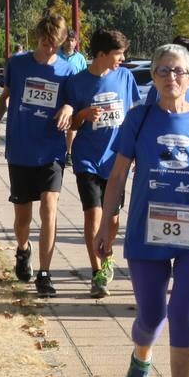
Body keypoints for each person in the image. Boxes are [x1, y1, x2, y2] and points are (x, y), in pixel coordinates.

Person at [96, 43, 189, 377]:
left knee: (183, 311)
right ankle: (142, 354)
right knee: (153, 316)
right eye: (164, 71)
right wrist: (107, 222)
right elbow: (118, 174)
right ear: (152, 78)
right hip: (147, 228)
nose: (172, 78)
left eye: (179, 71)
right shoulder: (139, 118)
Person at [0, 13, 74, 298]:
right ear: (37, 37)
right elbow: (4, 99)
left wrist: (68, 108)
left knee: (49, 208)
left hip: (51, 149)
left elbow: (74, 103)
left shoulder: (67, 71)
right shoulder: (18, 64)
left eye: (55, 44)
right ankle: (22, 248)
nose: (49, 48)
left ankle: (45, 273)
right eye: (45, 42)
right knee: (23, 219)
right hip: (21, 148)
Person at [64, 29, 142, 298]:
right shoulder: (77, 83)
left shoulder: (125, 77)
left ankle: (107, 255)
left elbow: (133, 116)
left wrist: (137, 152)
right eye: (118, 55)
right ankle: (97, 272)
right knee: (93, 214)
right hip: (87, 158)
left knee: (113, 218)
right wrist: (83, 114)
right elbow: (70, 123)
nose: (122, 59)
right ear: (101, 54)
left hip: (116, 160)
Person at [58, 30, 88, 163]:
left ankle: (69, 153)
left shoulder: (80, 58)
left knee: (72, 124)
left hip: (74, 95)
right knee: (57, 123)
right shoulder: (56, 55)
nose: (70, 43)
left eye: (73, 40)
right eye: (68, 40)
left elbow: (84, 77)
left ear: (76, 42)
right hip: (58, 93)